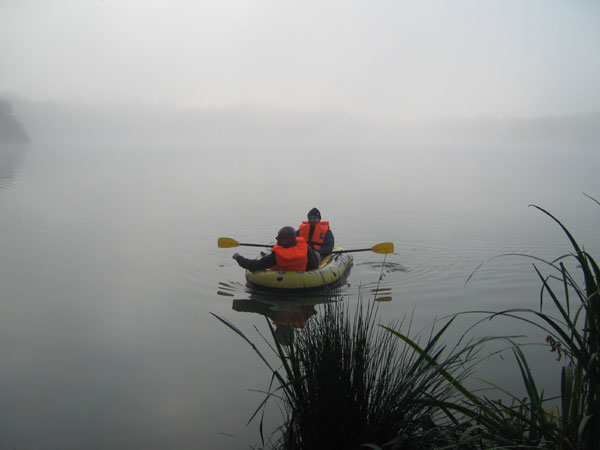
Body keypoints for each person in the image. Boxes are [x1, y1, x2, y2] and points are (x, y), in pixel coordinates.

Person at [232, 226, 320, 272]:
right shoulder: (306, 248)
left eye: (280, 237)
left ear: (288, 240)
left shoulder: (277, 256)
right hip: (302, 279)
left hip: (279, 281)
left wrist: (238, 257)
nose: (276, 238)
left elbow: (254, 265)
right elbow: (314, 266)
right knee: (317, 255)